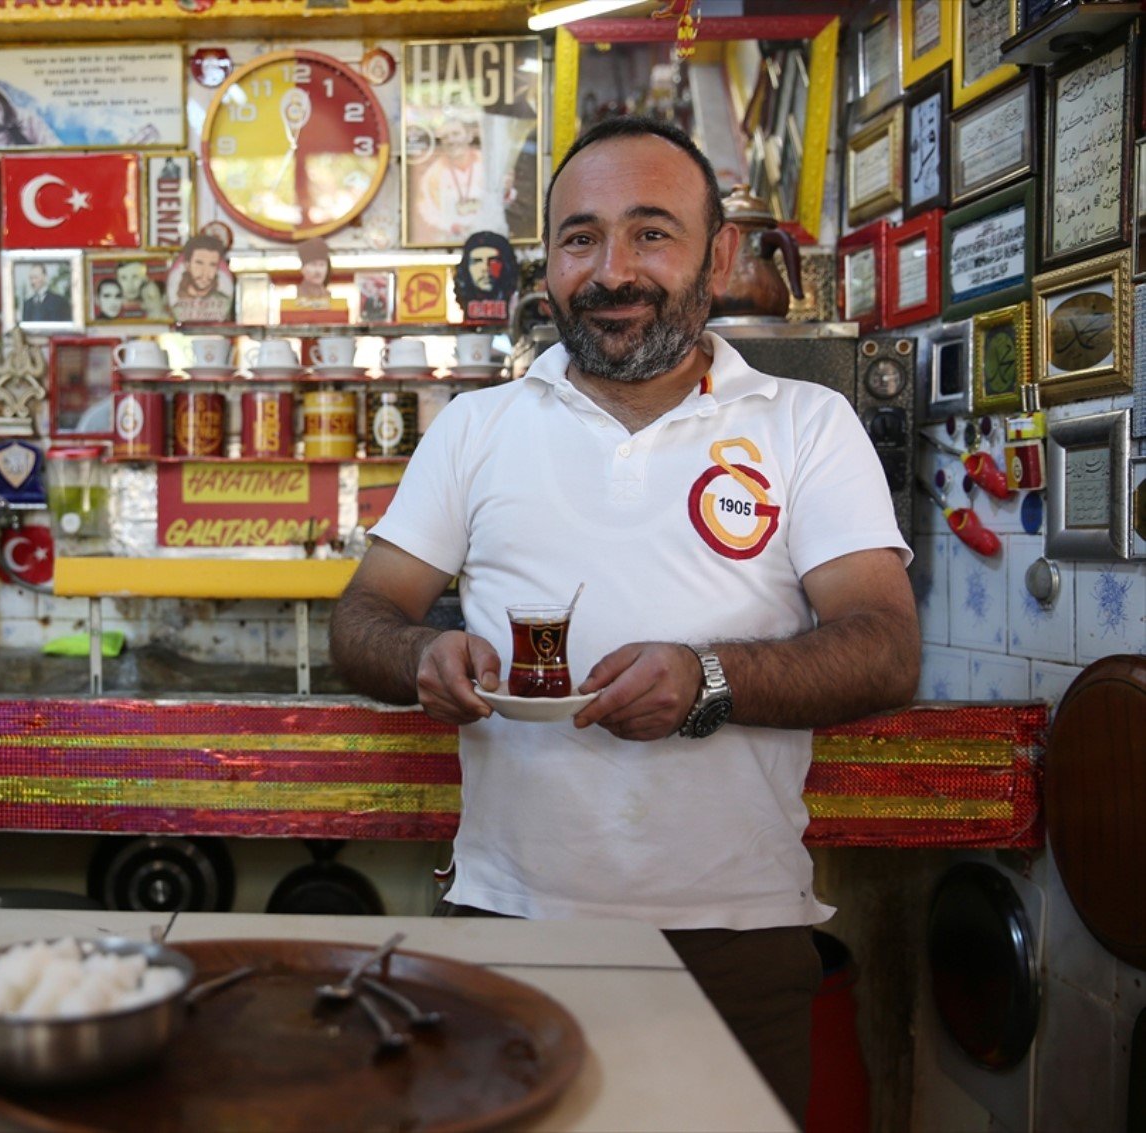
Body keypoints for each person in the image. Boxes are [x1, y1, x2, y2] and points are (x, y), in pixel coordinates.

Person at [329, 116, 919, 1125]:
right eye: (578, 237)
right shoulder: (477, 427)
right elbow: (362, 617)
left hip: (734, 936)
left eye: (650, 232)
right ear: (545, 260)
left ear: (716, 254)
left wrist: (710, 679)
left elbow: (882, 644)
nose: (611, 270)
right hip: (509, 923)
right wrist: (422, 650)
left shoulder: (800, 425)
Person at [411, 113, 509, 244]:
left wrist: (506, 192)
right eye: (445, 137)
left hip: (491, 241)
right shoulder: (433, 174)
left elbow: (505, 199)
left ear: (469, 136)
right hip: (451, 242)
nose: (451, 141)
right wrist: (450, 226)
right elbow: (426, 210)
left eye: (456, 134)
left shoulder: (489, 165)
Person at [166, 233, 232, 323]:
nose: (205, 273)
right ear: (187, 265)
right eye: (199, 263)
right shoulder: (176, 305)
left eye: (212, 265)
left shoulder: (224, 301)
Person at [294, 237, 332, 302]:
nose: (318, 271)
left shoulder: (327, 295)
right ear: (302, 269)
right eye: (313, 265)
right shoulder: (294, 294)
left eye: (322, 265)